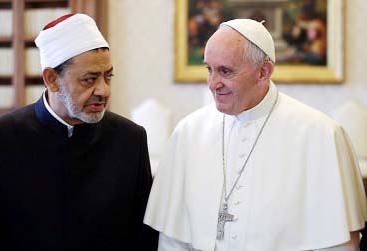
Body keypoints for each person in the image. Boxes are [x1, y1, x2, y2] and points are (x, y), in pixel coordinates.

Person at [144, 19, 367, 251]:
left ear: (263, 72)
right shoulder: (188, 132)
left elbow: (337, 244)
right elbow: (173, 240)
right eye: (209, 69)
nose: (213, 83)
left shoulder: (321, 135)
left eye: (225, 71)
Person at [0, 13, 158, 250]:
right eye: (89, 80)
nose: (104, 90)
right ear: (51, 79)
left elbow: (144, 239)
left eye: (108, 77)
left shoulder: (130, 139)